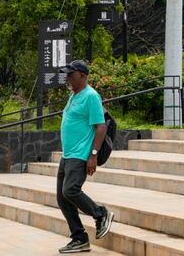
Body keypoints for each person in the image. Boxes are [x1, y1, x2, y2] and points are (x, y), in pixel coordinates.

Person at [56, 60, 113, 254]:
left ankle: (100, 214)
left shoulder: (91, 96)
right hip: (67, 155)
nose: (67, 78)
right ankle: (79, 238)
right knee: (62, 198)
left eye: (70, 74)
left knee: (70, 190)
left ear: (82, 75)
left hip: (80, 154)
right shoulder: (73, 95)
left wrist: (93, 155)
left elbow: (101, 127)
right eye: (66, 74)